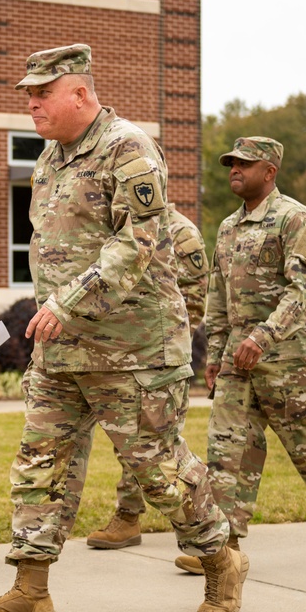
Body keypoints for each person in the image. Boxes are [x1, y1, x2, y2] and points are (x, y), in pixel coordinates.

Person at [0, 44, 246, 612]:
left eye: (42, 95)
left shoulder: (130, 148)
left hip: (133, 348)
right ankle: (30, 591)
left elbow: (137, 242)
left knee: (156, 469)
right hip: (61, 349)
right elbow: (52, 250)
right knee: (38, 463)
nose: (32, 106)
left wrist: (69, 301)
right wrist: (40, 312)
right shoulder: (49, 160)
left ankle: (220, 559)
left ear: (81, 94)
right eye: (28, 96)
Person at [173, 137, 306, 575]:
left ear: (270, 171)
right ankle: (221, 548)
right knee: (228, 449)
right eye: (231, 163)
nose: (234, 170)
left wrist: (263, 337)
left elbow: (301, 291)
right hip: (237, 360)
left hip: (287, 358)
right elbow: (219, 297)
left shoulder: (296, 220)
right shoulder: (229, 227)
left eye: (245, 164)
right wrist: (215, 352)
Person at [86, 205, 209, 549]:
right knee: (131, 442)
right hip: (121, 349)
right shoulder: (115, 226)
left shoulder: (182, 231)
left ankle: (204, 529)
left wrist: (168, 343)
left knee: (157, 447)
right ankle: (130, 517)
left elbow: (195, 297)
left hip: (159, 352)